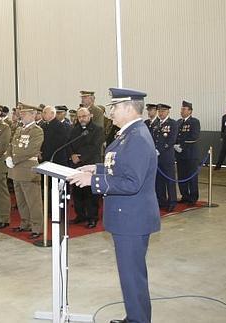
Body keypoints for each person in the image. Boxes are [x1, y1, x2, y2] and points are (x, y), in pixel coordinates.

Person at [68, 88, 160, 323]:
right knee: (130, 275)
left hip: (132, 218)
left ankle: (138, 320)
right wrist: (96, 168)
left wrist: (93, 181)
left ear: (129, 108)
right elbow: (120, 166)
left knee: (132, 276)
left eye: (115, 107)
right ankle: (134, 318)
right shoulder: (128, 134)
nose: (111, 112)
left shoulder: (137, 137)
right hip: (127, 216)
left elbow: (132, 182)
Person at [7, 103, 44, 239]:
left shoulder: (37, 130)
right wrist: (8, 156)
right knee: (21, 200)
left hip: (28, 170)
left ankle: (37, 227)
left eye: (24, 113)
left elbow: (32, 150)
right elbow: (11, 145)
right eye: (21, 113)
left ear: (33, 115)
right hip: (16, 170)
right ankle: (25, 223)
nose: (21, 116)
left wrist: (14, 159)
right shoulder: (19, 129)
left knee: (33, 201)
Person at [69, 107, 104, 228]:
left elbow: (94, 146)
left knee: (90, 194)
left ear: (90, 116)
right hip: (77, 165)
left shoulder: (98, 129)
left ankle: (92, 217)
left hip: (91, 164)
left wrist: (81, 156)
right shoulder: (74, 130)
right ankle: (80, 215)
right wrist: (72, 155)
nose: (82, 119)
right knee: (77, 192)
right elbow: (70, 143)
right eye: (79, 117)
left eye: (84, 116)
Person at [175, 100, 201, 205]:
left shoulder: (194, 122)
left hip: (190, 154)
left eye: (184, 109)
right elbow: (176, 136)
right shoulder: (178, 122)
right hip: (180, 155)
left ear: (190, 111)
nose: (181, 111)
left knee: (192, 177)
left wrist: (182, 145)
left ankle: (193, 197)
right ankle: (184, 195)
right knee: (182, 176)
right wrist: (175, 145)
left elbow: (194, 137)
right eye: (181, 109)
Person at [154, 104, 177, 212]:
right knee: (159, 181)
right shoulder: (157, 123)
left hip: (167, 157)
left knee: (170, 181)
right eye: (159, 111)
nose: (161, 113)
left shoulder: (172, 123)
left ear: (168, 111)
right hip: (157, 158)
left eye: (163, 111)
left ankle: (172, 202)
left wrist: (160, 150)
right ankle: (161, 201)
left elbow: (171, 140)